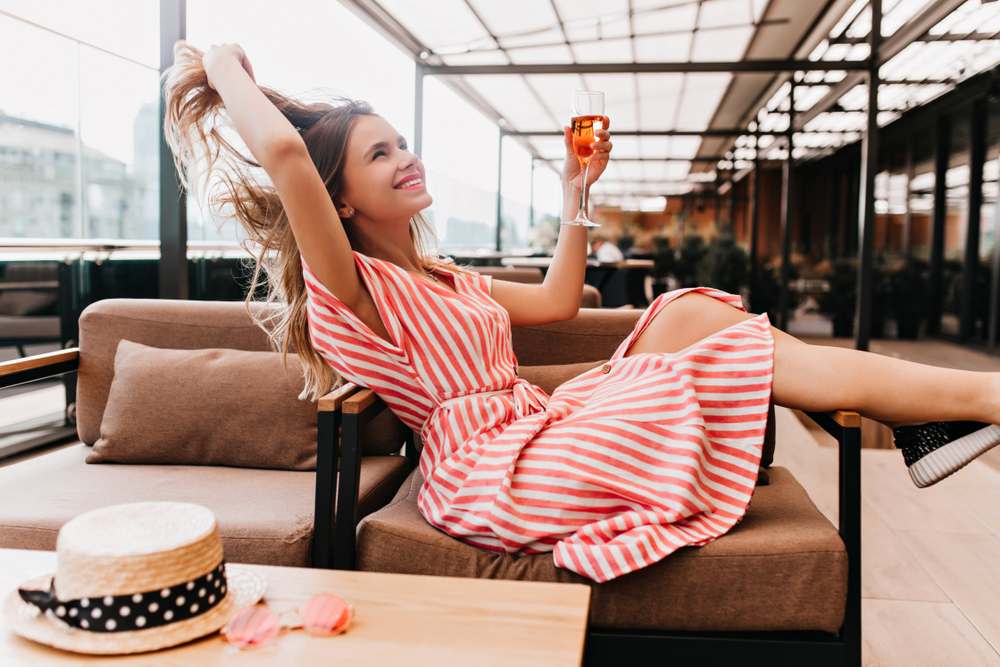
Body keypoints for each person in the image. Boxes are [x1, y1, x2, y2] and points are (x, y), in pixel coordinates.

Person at [165, 42, 1000, 583]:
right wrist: (224, 68)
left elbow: (562, 301)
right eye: (378, 154)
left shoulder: (442, 276)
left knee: (686, 315)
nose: (406, 158)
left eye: (403, 142)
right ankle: (973, 402)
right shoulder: (350, 291)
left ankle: (930, 419)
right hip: (493, 472)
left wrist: (576, 195)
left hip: (540, 423)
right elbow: (281, 152)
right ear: (337, 202)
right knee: (721, 349)